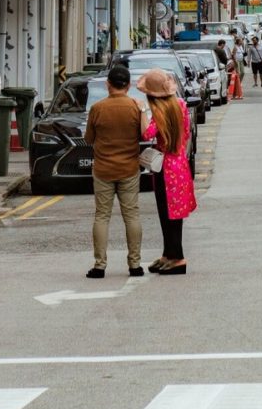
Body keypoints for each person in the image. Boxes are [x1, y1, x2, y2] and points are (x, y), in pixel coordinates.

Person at [84, 65, 146, 280]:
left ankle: (100, 265)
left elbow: (89, 139)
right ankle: (135, 264)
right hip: (129, 168)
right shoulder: (134, 107)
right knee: (132, 215)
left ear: (107, 84)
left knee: (102, 216)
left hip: (103, 169)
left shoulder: (98, 108)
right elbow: (144, 134)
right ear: (128, 86)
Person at [143, 69, 197, 274]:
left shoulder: (158, 112)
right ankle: (169, 253)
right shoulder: (180, 105)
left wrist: (142, 112)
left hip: (165, 166)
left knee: (166, 213)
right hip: (179, 163)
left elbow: (147, 133)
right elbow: (185, 132)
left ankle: (178, 257)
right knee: (175, 213)